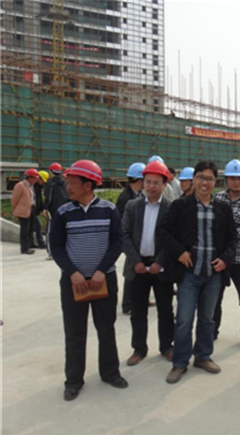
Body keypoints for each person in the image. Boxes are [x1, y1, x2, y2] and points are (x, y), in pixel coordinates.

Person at [50, 160, 128, 401]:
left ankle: (110, 373)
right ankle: (74, 381)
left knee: (106, 329)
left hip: (103, 281)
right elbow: (56, 246)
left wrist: (101, 270)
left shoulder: (109, 210)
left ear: (88, 185)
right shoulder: (63, 213)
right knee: (74, 332)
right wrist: (72, 273)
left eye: (73, 183)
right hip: (74, 283)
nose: (68, 187)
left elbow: (117, 242)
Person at [157, 161, 237, 384]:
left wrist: (225, 259)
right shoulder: (181, 206)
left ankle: (203, 356)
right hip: (189, 274)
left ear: (215, 182)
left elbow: (232, 238)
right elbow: (163, 231)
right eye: (200, 177)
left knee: (207, 319)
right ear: (194, 180)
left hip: (213, 274)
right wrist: (179, 252)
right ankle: (180, 362)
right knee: (184, 319)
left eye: (209, 179)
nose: (204, 183)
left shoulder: (222, 208)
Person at [122, 160, 175, 366]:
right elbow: (125, 235)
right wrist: (135, 261)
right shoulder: (132, 206)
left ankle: (167, 346)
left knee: (165, 310)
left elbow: (172, 238)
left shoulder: (171, 208)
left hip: (161, 267)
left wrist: (159, 262)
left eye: (156, 182)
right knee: (138, 311)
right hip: (138, 267)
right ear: (143, 183)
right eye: (148, 182)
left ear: (164, 185)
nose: (151, 186)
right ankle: (139, 348)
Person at [213, 159, 240, 350]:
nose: (236, 182)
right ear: (226, 180)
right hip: (219, 259)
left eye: (239, 178)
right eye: (232, 178)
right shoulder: (216, 199)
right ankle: (211, 331)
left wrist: (223, 238)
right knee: (214, 298)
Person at [117, 162, 145, 315]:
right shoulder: (126, 198)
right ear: (140, 180)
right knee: (131, 271)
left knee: (138, 272)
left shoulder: (138, 194)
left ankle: (138, 300)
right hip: (129, 241)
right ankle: (128, 305)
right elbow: (122, 225)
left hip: (138, 240)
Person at [43, 162, 69, 260]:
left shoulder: (50, 183)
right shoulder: (64, 183)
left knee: (50, 232)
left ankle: (51, 253)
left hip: (53, 210)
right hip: (64, 210)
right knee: (63, 231)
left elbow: (48, 197)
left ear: (51, 171)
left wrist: (45, 208)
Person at [11, 169, 40, 255]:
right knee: (25, 230)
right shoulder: (20, 186)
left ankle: (30, 244)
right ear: (29, 177)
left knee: (31, 228)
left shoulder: (31, 186)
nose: (35, 180)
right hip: (23, 211)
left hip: (31, 209)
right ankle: (24, 248)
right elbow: (14, 199)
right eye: (34, 178)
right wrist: (17, 209)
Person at [32, 170, 49, 249]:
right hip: (31, 209)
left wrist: (42, 209)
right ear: (39, 178)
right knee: (38, 226)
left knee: (32, 227)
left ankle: (31, 243)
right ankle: (41, 243)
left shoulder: (38, 187)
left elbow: (39, 200)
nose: (43, 183)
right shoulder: (33, 187)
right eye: (42, 181)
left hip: (36, 210)